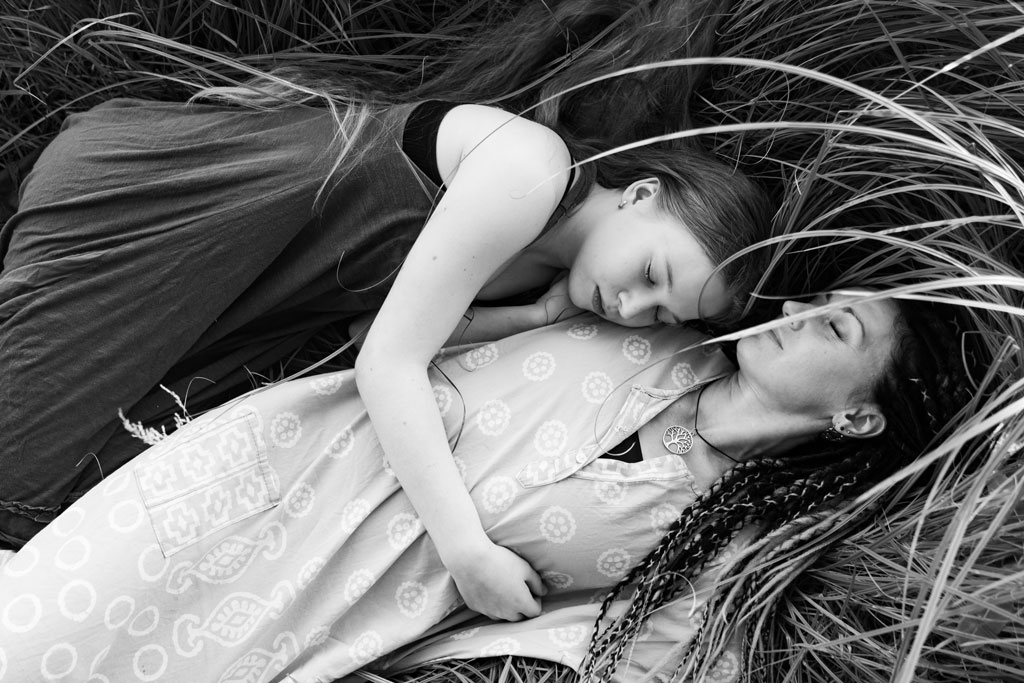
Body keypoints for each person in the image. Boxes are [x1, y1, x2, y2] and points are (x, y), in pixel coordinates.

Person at [0, 4, 772, 629]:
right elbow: (386, 365)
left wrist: (534, 312)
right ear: (641, 194)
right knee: (16, 471)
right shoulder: (529, 170)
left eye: (659, 312)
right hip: (173, 213)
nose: (631, 307)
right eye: (651, 273)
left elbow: (368, 334)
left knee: (62, 509)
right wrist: (465, 549)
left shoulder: (553, 272)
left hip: (251, 291)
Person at [0, 290, 972, 682]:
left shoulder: (725, 529)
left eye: (834, 328)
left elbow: (614, 649)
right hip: (274, 482)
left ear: (856, 416)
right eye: (813, 299)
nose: (797, 312)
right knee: (30, 639)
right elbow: (413, 342)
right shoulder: (655, 326)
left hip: (348, 611)